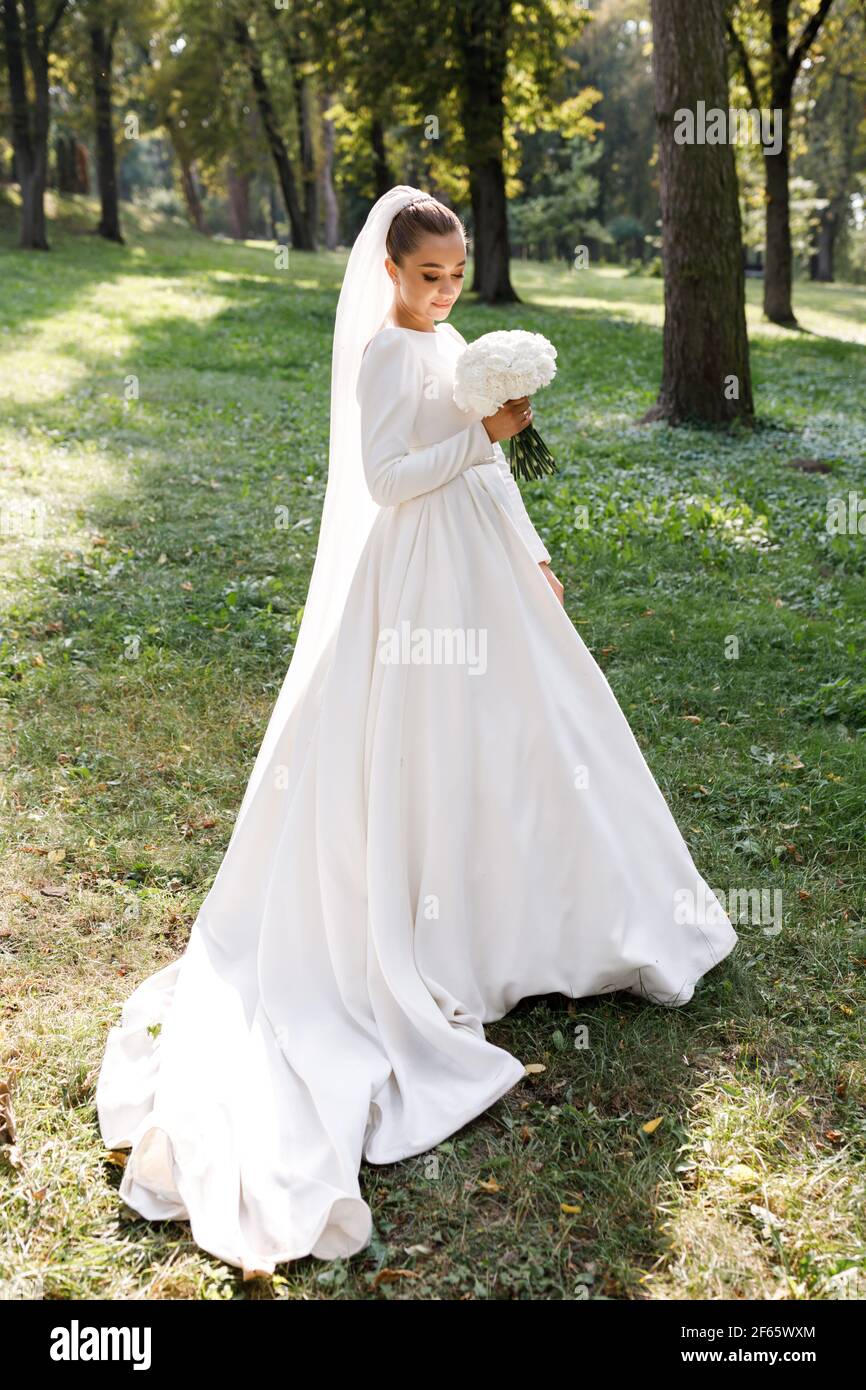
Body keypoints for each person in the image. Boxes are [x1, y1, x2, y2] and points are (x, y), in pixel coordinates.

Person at [96, 185, 737, 1279]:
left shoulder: (450, 346)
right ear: (389, 272)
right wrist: (473, 438)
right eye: (425, 276)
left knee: (540, 736)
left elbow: (486, 460)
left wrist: (526, 537)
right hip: (420, 579)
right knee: (435, 746)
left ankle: (560, 914)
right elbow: (389, 480)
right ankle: (444, 928)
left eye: (453, 275)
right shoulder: (385, 358)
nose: (442, 291)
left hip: (485, 556)